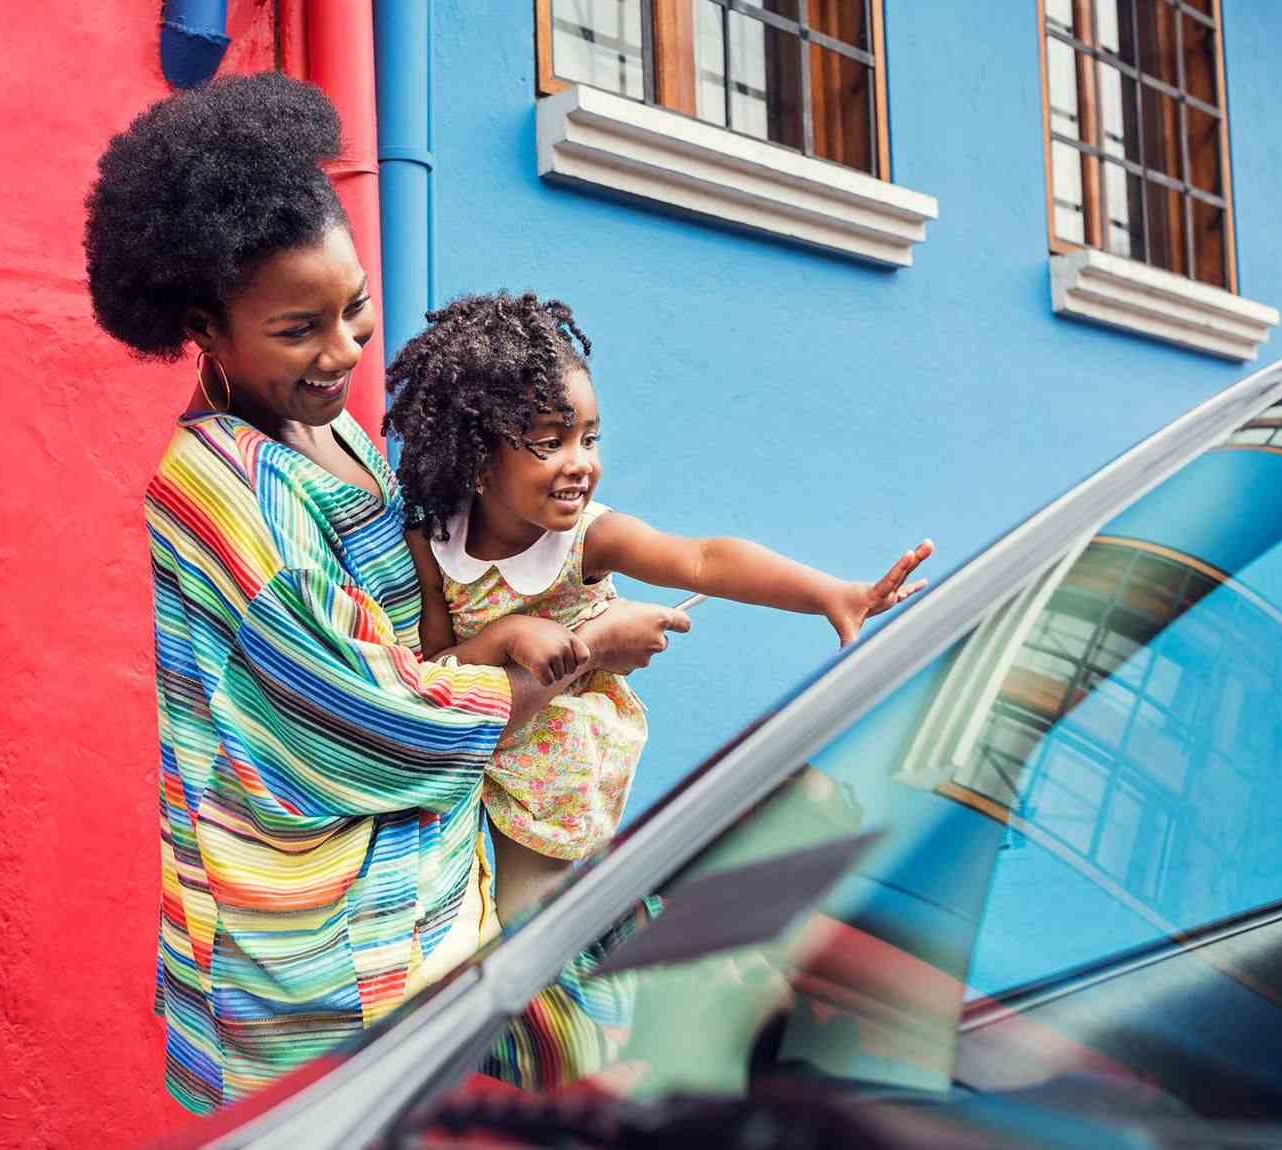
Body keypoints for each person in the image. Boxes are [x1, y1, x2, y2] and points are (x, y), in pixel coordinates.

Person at [83, 73, 687, 1113]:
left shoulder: (325, 429)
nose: (343, 350)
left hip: (429, 883)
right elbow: (364, 717)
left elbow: (414, 634)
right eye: (297, 327)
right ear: (205, 327)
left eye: (355, 307)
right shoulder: (222, 494)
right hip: (333, 935)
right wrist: (572, 651)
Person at [383, 291, 933, 923]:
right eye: (550, 441)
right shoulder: (434, 541)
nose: (581, 464)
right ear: (478, 458)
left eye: (589, 438)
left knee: (525, 942)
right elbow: (436, 668)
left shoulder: (587, 537)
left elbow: (704, 560)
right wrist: (508, 635)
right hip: (465, 768)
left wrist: (829, 595)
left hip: (553, 785)